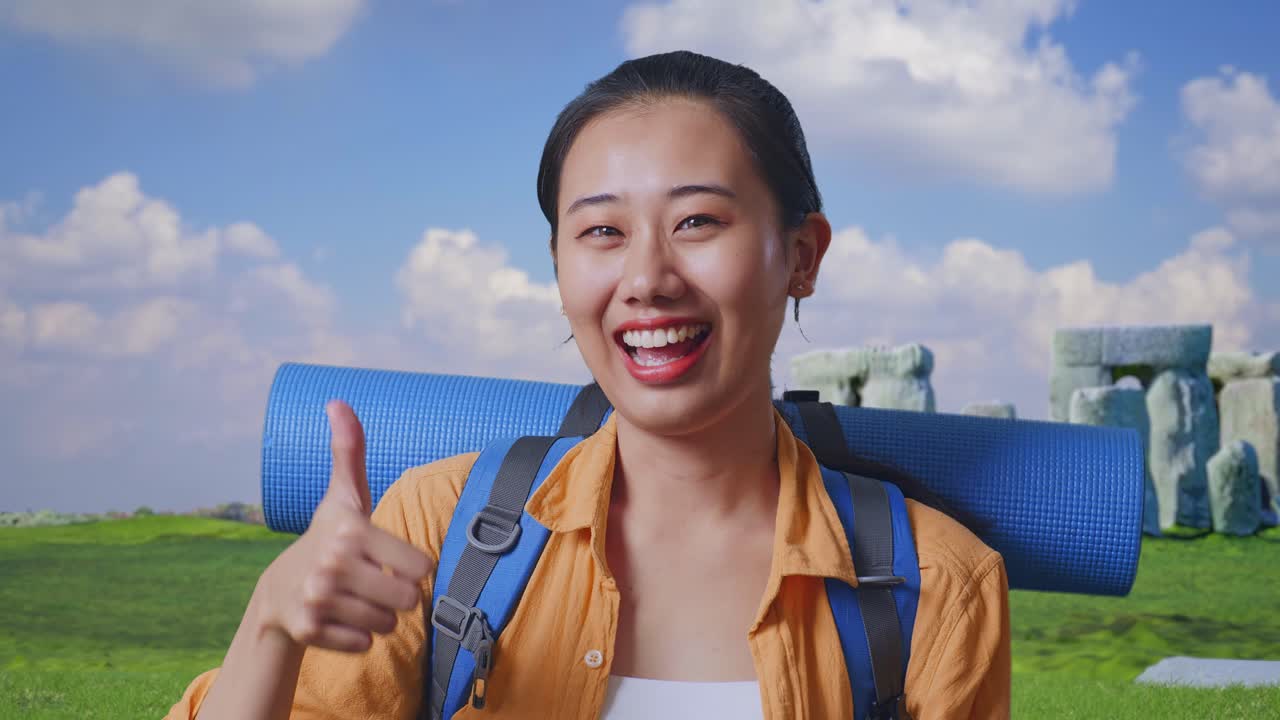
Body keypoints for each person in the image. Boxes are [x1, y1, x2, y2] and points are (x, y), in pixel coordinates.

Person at [168, 50, 1010, 720]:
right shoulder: (435, 535)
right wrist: (271, 623)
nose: (646, 278)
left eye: (697, 222)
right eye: (601, 231)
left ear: (801, 256)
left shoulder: (939, 588)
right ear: (559, 268)